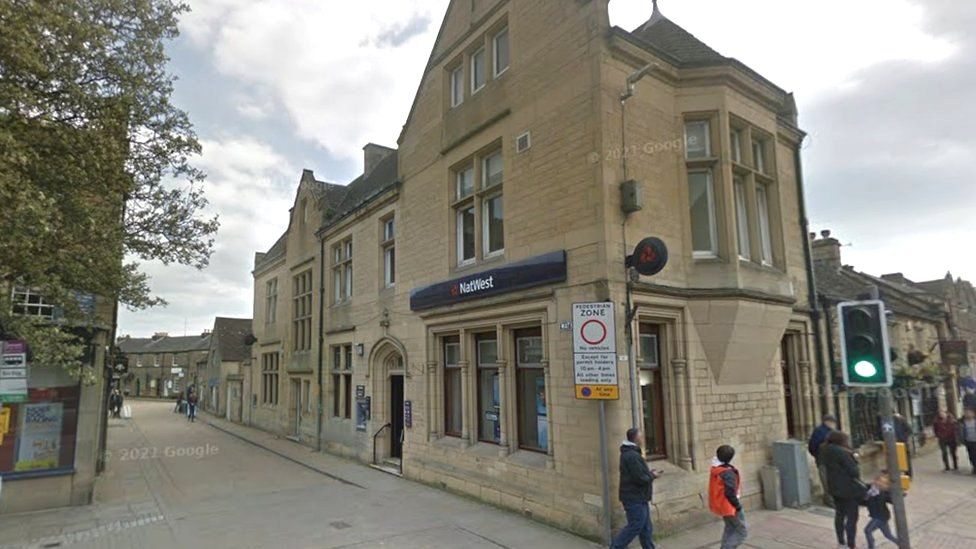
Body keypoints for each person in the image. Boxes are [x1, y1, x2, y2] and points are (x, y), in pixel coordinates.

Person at [611, 428, 661, 549]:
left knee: (646, 527)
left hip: (640, 496)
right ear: (636, 438)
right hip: (633, 497)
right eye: (641, 436)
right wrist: (653, 475)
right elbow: (640, 478)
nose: (643, 439)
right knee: (636, 524)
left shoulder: (632, 453)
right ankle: (616, 546)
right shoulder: (632, 455)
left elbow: (638, 473)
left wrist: (649, 473)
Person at [820, 430, 865, 549]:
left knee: (839, 515)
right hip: (849, 490)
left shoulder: (825, 450)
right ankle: (851, 544)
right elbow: (854, 472)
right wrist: (856, 460)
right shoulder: (844, 453)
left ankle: (841, 542)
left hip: (834, 488)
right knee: (852, 518)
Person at [709, 445, 746, 549]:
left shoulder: (716, 469)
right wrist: (737, 506)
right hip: (730, 506)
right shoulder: (728, 473)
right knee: (742, 532)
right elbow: (730, 492)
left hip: (722, 505)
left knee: (730, 528)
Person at [863, 472, 899, 549]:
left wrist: (899, 495)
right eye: (878, 480)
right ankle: (902, 544)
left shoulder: (883, 493)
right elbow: (864, 495)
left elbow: (891, 499)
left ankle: (871, 547)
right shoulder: (870, 489)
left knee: (867, 530)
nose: (879, 483)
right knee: (888, 535)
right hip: (878, 516)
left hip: (880, 517)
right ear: (875, 480)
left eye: (882, 483)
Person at [808, 414, 837, 506]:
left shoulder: (832, 431)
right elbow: (813, 446)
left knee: (832, 480)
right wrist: (818, 455)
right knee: (826, 480)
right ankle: (829, 500)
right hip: (823, 459)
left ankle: (832, 498)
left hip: (831, 460)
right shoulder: (820, 431)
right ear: (827, 422)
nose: (834, 424)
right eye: (832, 422)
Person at [893, 413, 913, 477]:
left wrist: (903, 438)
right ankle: (899, 474)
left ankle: (908, 474)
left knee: (905, 459)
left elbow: (909, 430)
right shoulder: (887, 421)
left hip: (902, 443)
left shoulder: (901, 419)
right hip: (893, 443)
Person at [958, 407, 976, 475]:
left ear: (973, 414)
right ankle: (974, 467)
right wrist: (961, 440)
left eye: (969, 413)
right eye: (966, 413)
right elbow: (959, 431)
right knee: (971, 455)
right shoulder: (962, 422)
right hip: (968, 441)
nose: (967, 414)